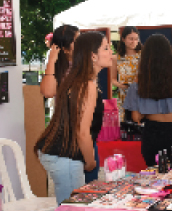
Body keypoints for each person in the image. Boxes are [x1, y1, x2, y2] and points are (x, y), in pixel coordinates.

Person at [35, 31, 113, 205]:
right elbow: (82, 132)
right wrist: (91, 161)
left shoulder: (78, 80)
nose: (111, 53)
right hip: (65, 155)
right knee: (72, 207)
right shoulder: (87, 85)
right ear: (93, 56)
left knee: (71, 205)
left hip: (59, 152)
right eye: (106, 48)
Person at [123, 34, 172, 167]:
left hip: (152, 131)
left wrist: (149, 110)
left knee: (154, 174)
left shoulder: (138, 84)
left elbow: (136, 117)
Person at [111, 26, 142, 122]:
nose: (133, 42)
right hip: (124, 95)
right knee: (125, 124)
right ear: (123, 39)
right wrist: (120, 85)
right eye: (131, 39)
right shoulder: (116, 58)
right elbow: (112, 79)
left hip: (140, 94)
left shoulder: (143, 55)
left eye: (136, 39)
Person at [40, 25, 79, 98]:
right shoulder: (57, 66)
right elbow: (48, 93)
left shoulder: (84, 61)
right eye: (77, 41)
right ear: (65, 49)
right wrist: (51, 61)